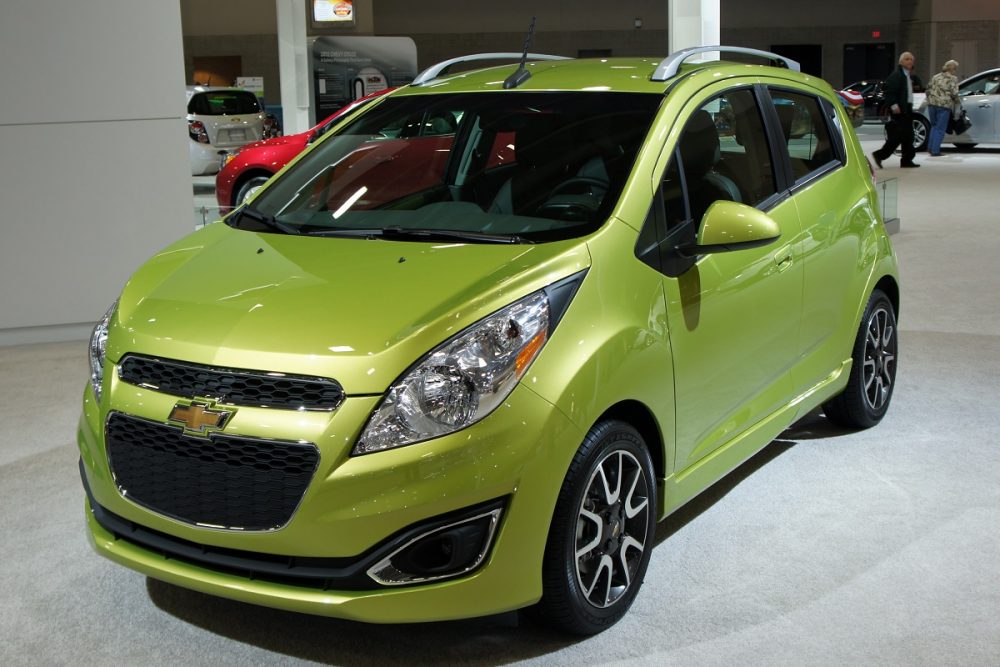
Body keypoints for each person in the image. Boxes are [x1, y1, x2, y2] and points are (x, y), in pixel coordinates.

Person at [872, 52, 923, 169]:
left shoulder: (907, 75)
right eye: (907, 59)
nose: (910, 61)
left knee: (909, 136)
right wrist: (894, 106)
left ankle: (906, 160)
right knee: (898, 136)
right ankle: (879, 155)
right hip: (899, 109)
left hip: (907, 108)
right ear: (901, 62)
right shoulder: (896, 76)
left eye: (911, 59)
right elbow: (890, 92)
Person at [925, 60, 960, 156]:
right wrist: (958, 103)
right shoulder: (953, 79)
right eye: (955, 69)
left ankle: (930, 147)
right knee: (940, 129)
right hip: (943, 106)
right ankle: (935, 151)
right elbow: (954, 93)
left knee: (934, 126)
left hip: (931, 105)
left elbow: (927, 89)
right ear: (953, 69)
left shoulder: (935, 76)